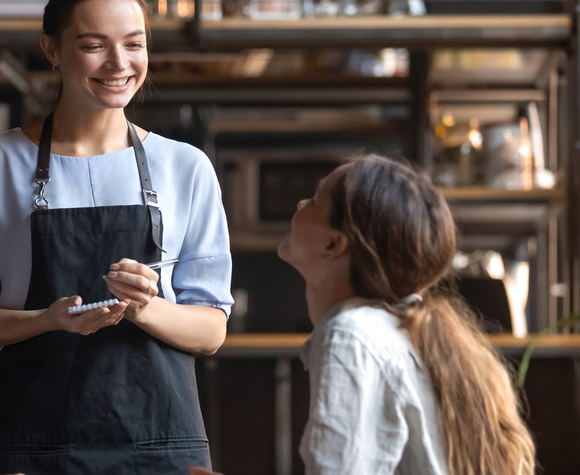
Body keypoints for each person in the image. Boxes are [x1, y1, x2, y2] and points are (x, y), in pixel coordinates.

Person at [0, 0, 234, 473]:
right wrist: (47, 320)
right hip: (33, 442)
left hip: (159, 444)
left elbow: (210, 329)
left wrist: (145, 307)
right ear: (52, 49)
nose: (119, 64)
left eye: (134, 44)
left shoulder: (185, 167)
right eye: (94, 45)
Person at [195, 154, 536, 474]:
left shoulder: (350, 336)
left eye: (314, 201)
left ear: (334, 244)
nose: (300, 204)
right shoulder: (389, 328)